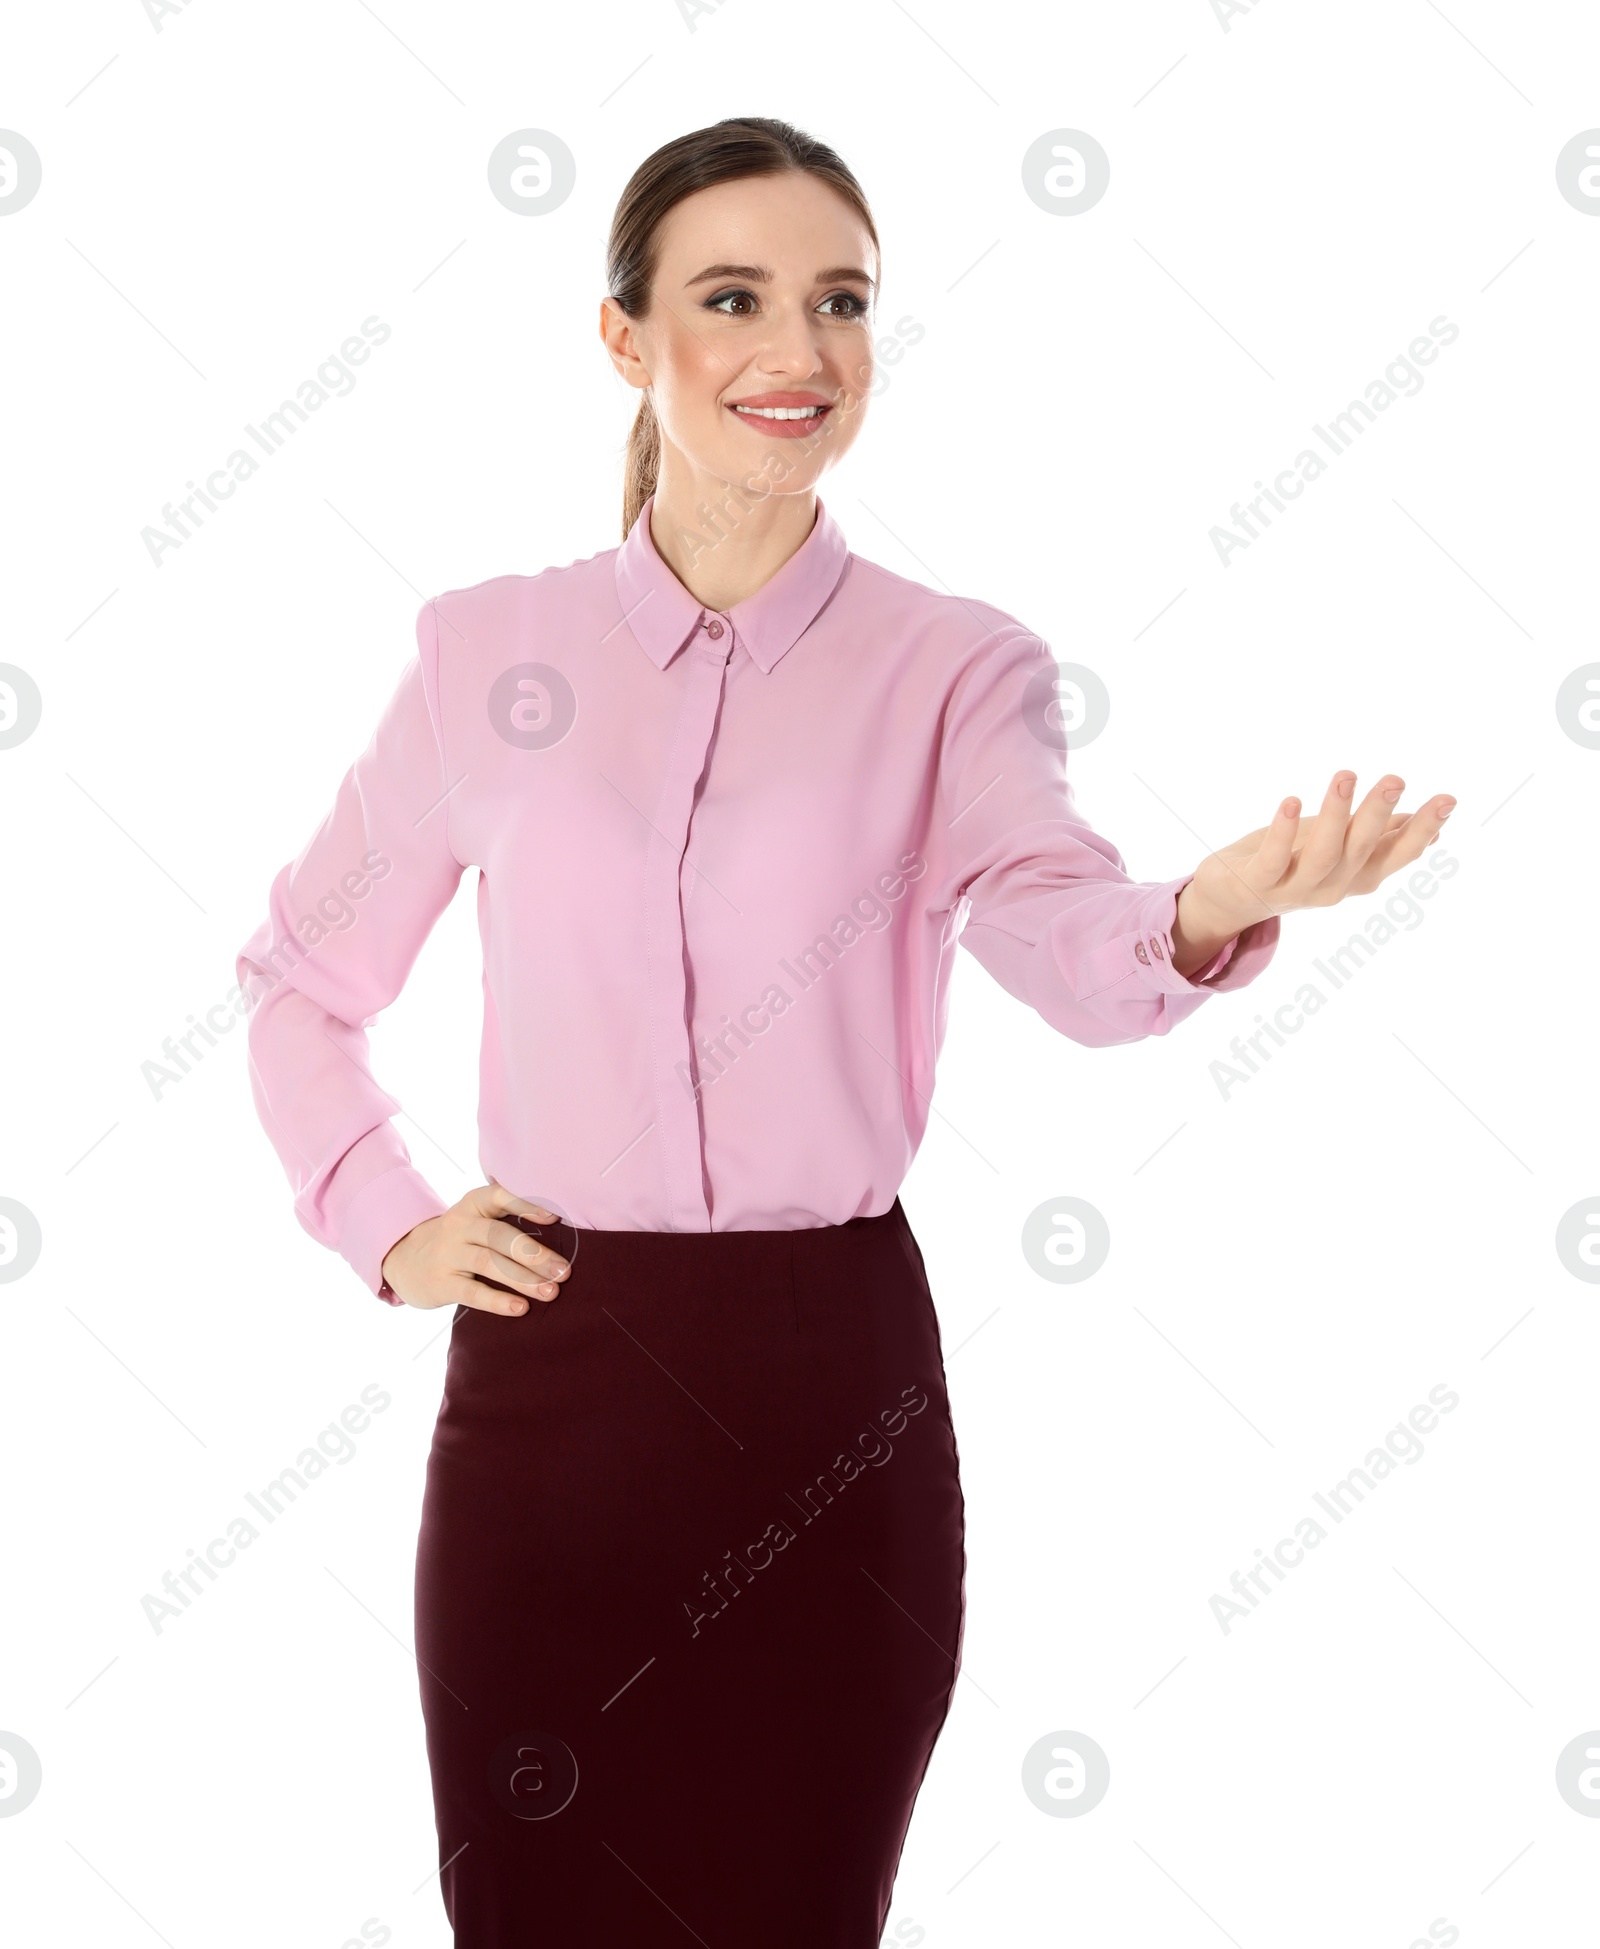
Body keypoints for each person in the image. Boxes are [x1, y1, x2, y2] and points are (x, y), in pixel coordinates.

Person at [236, 116, 1454, 1947]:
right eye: (734, 298)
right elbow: (297, 978)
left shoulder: (954, 666)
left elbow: (1058, 932)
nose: (797, 351)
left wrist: (1200, 913)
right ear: (628, 341)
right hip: (551, 1406)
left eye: (842, 302)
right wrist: (384, 1217)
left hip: (829, 1398)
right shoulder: (488, 656)